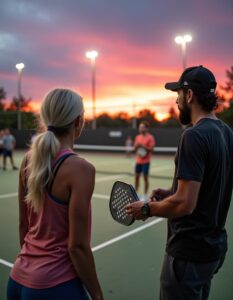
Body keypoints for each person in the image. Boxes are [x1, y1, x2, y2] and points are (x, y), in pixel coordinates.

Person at [126, 66, 233, 300]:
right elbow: (210, 186)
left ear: (190, 95)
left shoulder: (193, 136)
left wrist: (147, 208)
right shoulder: (226, 132)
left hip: (188, 254)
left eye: (178, 94)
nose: (176, 100)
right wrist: (170, 192)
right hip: (212, 249)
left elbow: (185, 204)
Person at [7, 88, 104, 300]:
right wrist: (97, 294)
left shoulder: (27, 160)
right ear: (78, 122)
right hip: (54, 287)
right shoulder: (81, 169)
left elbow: (24, 226)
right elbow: (77, 246)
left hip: (16, 280)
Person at [134, 121, 155, 200]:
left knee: (145, 178)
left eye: (142, 127)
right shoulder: (137, 137)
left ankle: (145, 195)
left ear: (146, 128)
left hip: (146, 162)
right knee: (136, 177)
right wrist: (136, 146)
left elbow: (152, 149)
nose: (140, 128)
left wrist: (142, 145)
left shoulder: (150, 137)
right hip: (138, 161)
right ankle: (135, 194)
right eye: (140, 127)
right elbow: (135, 148)